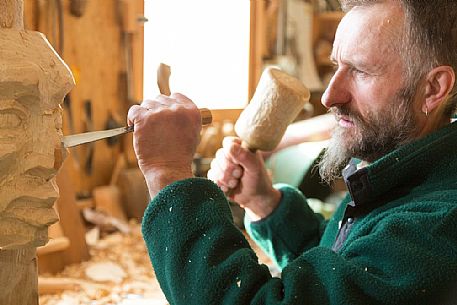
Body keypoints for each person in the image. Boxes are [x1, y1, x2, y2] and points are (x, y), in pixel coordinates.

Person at [127, 0, 457, 303]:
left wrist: (167, 171)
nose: (330, 95)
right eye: (336, 66)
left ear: (432, 88)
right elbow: (342, 271)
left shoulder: (436, 226)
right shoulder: (397, 173)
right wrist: (265, 203)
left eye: (360, 71)